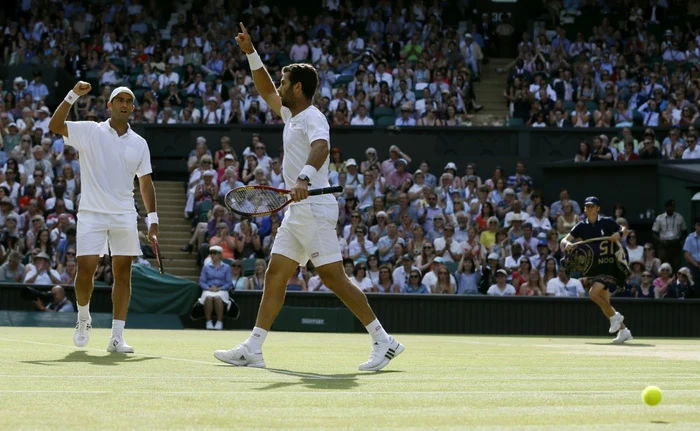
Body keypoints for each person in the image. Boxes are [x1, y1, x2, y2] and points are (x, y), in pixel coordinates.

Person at [214, 24, 403, 371]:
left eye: (285, 83)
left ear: (298, 87)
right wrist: (250, 53)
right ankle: (253, 348)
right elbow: (266, 90)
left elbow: (321, 147)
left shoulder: (313, 118)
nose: (280, 88)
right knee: (275, 275)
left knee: (333, 278)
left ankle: (384, 341)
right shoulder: (291, 114)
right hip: (297, 212)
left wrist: (303, 176)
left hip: (313, 207)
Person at [48, 82, 160, 354]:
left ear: (133, 108)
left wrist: (153, 220)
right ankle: (83, 319)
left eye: (128, 100)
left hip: (124, 215)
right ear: (109, 105)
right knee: (85, 271)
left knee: (123, 274)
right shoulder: (89, 130)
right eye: (119, 99)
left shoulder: (140, 143)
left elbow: (145, 183)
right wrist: (72, 93)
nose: (124, 104)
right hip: (91, 214)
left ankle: (117, 337)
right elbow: (55, 124)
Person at [560, 197, 632, 343]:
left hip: (609, 265)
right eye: (587, 207)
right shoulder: (581, 225)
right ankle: (623, 330)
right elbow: (563, 240)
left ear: (598, 208)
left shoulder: (607, 222)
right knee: (604, 301)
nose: (589, 209)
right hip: (594, 267)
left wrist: (619, 234)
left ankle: (615, 317)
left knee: (593, 294)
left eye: (592, 206)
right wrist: (567, 243)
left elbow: (625, 230)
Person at [198, 245, 232, 330]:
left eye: (214, 253)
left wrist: (219, 288)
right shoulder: (206, 267)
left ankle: (219, 321)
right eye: (211, 253)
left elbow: (229, 283)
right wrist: (208, 288)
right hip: (208, 289)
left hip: (221, 290)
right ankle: (208, 321)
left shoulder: (227, 267)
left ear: (220, 255)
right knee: (209, 298)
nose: (212, 255)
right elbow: (202, 282)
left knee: (217, 298)